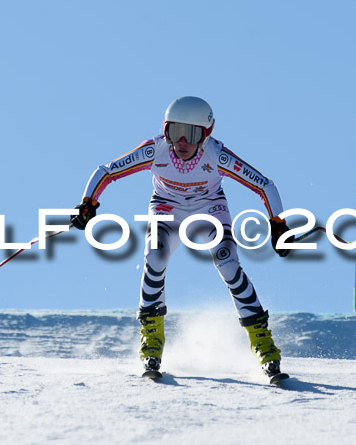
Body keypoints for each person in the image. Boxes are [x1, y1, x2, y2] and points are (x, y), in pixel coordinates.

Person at [70, 96, 293, 380]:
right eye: (175, 132)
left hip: (209, 208)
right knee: (155, 256)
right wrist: (87, 203)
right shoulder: (155, 150)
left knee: (228, 264)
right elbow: (107, 171)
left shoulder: (217, 155)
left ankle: (263, 344)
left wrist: (279, 225)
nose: (183, 141)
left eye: (193, 133)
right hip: (167, 208)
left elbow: (264, 185)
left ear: (206, 135)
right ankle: (151, 341)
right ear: (165, 130)